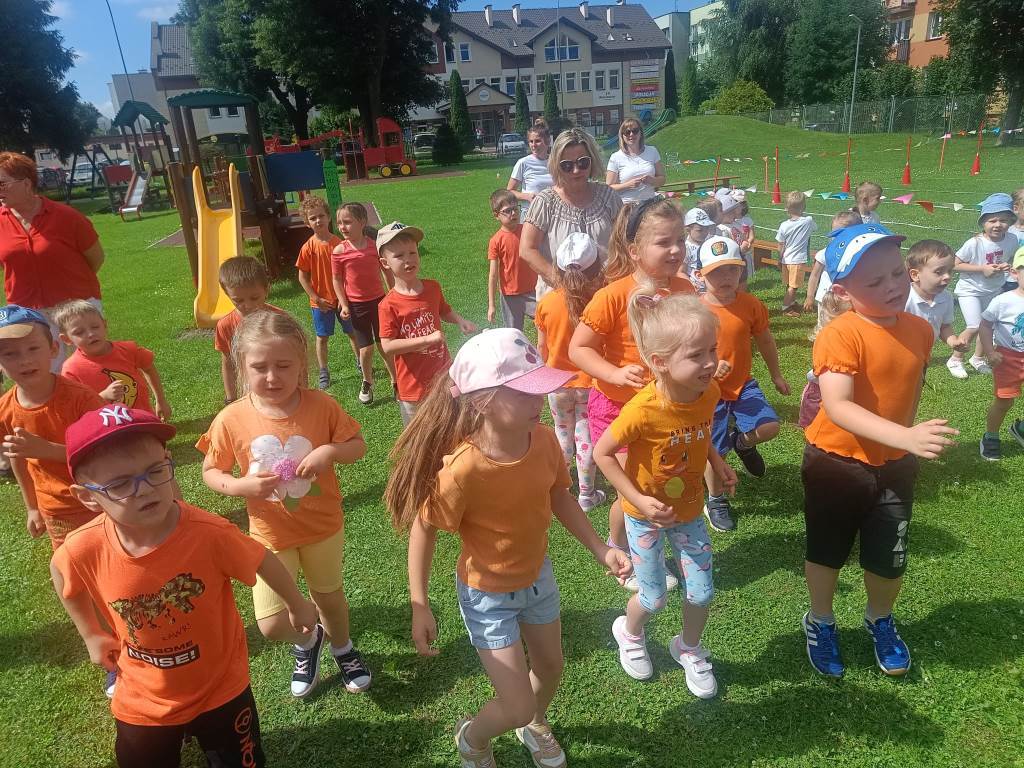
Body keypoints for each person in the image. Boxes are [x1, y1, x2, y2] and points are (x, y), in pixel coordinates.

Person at [385, 328, 632, 768]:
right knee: (515, 704)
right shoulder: (462, 469)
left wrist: (600, 548)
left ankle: (534, 723)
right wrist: (419, 603)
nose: (539, 400)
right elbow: (425, 528)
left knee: (551, 668)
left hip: (538, 579)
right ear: (482, 401)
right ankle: (473, 738)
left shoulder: (543, 441)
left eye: (539, 388)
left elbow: (558, 495)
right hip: (488, 596)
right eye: (524, 393)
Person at [52, 406, 319, 768]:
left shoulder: (209, 533)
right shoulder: (84, 547)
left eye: (155, 471)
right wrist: (91, 634)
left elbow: (262, 559)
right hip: (144, 694)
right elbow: (61, 571)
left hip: (220, 686)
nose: (145, 489)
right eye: (120, 484)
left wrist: (296, 603)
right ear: (87, 496)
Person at [802, 223, 958, 679]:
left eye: (895, 274)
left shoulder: (920, 330)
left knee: (891, 553)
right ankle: (821, 619)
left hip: (894, 465)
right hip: (834, 464)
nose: (891, 287)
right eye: (874, 282)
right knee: (827, 550)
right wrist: (905, 437)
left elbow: (905, 388)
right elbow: (838, 406)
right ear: (842, 291)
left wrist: (903, 442)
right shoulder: (840, 334)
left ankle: (880, 619)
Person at [198, 310, 372, 699]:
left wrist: (330, 451)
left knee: (328, 597)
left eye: (283, 365)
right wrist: (239, 485)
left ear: (301, 363)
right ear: (242, 366)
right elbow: (211, 471)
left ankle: (343, 648)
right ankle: (309, 642)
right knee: (272, 622)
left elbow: (357, 446)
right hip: (270, 534)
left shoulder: (321, 406)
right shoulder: (231, 418)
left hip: (322, 527)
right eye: (260, 367)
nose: (272, 377)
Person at [596, 289, 735, 696]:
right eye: (696, 355)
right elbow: (603, 453)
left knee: (703, 592)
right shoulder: (642, 410)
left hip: (688, 513)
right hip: (644, 518)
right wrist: (638, 500)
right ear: (660, 362)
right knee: (654, 597)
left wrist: (717, 462)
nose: (710, 362)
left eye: (712, 349)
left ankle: (688, 647)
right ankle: (629, 632)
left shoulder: (709, 392)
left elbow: (702, 432)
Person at [569, 199, 695, 585]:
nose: (675, 250)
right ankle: (624, 553)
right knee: (636, 488)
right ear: (635, 250)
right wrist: (615, 373)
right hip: (616, 408)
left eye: (680, 240)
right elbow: (579, 348)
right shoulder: (612, 295)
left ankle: (636, 548)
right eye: (664, 242)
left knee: (655, 483)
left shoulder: (685, 289)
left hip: (665, 410)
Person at [698, 237, 790, 532]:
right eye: (716, 271)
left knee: (770, 427)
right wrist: (708, 369)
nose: (725, 277)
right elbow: (682, 353)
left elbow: (765, 340)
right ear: (700, 274)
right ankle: (715, 499)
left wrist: (776, 375)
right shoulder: (694, 310)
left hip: (742, 385)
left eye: (731, 269)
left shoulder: (751, 305)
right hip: (707, 392)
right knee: (715, 451)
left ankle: (743, 443)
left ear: (742, 270)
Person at [0, 305, 103, 548]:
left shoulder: (82, 399)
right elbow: (18, 459)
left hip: (100, 498)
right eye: (10, 354)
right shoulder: (5, 410)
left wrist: (45, 450)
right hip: (56, 510)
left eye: (33, 348)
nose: (25, 360)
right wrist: (32, 508)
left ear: (54, 349)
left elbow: (105, 452)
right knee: (72, 562)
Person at [0, 151, 105, 370]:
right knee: (46, 371)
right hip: (29, 312)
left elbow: (95, 257)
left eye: (2, 184)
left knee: (88, 368)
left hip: (75, 308)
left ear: (26, 183)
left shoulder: (67, 217)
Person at [376, 221, 477, 426]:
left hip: (444, 377)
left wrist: (460, 321)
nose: (408, 259)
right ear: (385, 263)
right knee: (419, 437)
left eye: (412, 252)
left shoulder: (432, 288)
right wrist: (427, 340)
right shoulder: (388, 305)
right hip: (414, 389)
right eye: (399, 255)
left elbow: (444, 310)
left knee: (451, 425)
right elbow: (388, 346)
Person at [535, 232, 604, 511]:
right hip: (590, 382)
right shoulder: (599, 301)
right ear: (596, 267)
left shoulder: (546, 303)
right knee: (585, 437)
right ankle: (587, 494)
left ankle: (560, 487)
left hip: (557, 383)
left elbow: (542, 346)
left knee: (562, 434)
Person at [520, 128, 623, 298]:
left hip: (605, 295)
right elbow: (527, 249)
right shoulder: (545, 202)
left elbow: (625, 243)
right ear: (556, 166)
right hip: (559, 297)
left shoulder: (609, 197)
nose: (576, 170)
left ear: (592, 160)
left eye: (583, 162)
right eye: (567, 165)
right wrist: (563, 285)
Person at [55, 300, 171, 420]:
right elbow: (76, 407)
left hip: (144, 419)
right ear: (66, 339)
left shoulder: (128, 349)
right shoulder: (71, 369)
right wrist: (103, 396)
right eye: (79, 332)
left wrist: (161, 400)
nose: (90, 334)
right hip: (107, 427)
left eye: (95, 327)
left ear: (104, 325)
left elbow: (149, 368)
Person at [330, 202, 396, 405]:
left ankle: (396, 381)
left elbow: (386, 271)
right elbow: (336, 279)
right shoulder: (339, 251)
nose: (342, 227)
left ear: (362, 222)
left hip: (379, 302)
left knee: (384, 345)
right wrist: (344, 304)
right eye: (339, 223)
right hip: (357, 307)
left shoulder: (374, 247)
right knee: (366, 349)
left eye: (347, 222)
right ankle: (367, 381)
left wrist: (392, 294)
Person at [948, 193, 1017, 379]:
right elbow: (954, 264)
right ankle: (955, 359)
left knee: (988, 326)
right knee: (974, 325)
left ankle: (977, 359)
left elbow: (1008, 257)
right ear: (983, 223)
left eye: (1003, 220)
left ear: (1010, 221)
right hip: (970, 290)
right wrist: (982, 269)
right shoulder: (975, 243)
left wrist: (1007, 265)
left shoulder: (1011, 240)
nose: (998, 225)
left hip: (994, 289)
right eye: (992, 220)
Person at [296, 196, 358, 390]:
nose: (318, 221)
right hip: (321, 303)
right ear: (307, 223)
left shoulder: (340, 244)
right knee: (322, 338)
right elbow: (302, 277)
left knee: (352, 332)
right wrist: (316, 298)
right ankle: (324, 371)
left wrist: (344, 298)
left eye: (321, 216)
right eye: (313, 218)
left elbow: (348, 273)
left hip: (342, 300)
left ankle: (361, 362)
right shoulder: (308, 248)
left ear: (329, 217)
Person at [215, 256, 284, 404]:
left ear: (266, 289)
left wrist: (302, 390)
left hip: (280, 387)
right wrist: (231, 398)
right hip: (247, 392)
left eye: (254, 298)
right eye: (238, 300)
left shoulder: (280, 319)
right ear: (227, 295)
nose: (248, 305)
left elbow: (296, 358)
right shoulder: (225, 325)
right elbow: (228, 364)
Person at [977, 248, 1024, 460]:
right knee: (1005, 402)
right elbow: (985, 325)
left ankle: (1020, 429)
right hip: (1007, 358)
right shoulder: (1003, 301)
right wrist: (989, 351)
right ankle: (991, 437)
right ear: (1014, 273)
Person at [804, 211, 862, 340]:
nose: (835, 238)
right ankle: (822, 346)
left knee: (846, 328)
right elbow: (814, 275)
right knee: (824, 327)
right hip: (825, 298)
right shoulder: (825, 253)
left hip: (847, 299)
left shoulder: (859, 255)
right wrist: (810, 296)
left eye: (840, 234)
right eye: (834, 234)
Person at [798, 290, 851, 429]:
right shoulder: (827, 338)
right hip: (818, 388)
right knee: (813, 419)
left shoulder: (846, 335)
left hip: (833, 387)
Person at [486, 189, 537, 330]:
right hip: (510, 296)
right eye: (507, 211)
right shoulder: (496, 241)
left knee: (545, 323)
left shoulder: (527, 231)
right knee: (513, 333)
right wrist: (491, 305)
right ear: (496, 215)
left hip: (532, 290)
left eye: (515, 208)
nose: (513, 213)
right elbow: (493, 275)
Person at [903, 240, 965, 354]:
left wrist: (953, 341)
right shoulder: (903, 298)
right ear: (915, 275)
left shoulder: (946, 298)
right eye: (938, 272)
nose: (947, 276)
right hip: (902, 349)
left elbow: (944, 326)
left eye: (949, 271)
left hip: (925, 350)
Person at [775, 191, 816, 316]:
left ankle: (791, 303)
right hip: (797, 260)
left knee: (790, 284)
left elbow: (780, 244)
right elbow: (815, 228)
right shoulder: (808, 221)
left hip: (786, 259)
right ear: (803, 207)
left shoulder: (783, 225)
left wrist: (779, 259)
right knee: (793, 286)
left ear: (786, 208)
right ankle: (786, 308)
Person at [605, 118, 665, 204]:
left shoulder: (652, 151)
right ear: (622, 136)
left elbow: (662, 179)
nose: (631, 134)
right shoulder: (615, 157)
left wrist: (652, 180)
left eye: (635, 131)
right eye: (627, 132)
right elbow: (609, 188)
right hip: (627, 205)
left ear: (640, 133)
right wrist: (627, 185)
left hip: (650, 204)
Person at [507, 122, 553, 216]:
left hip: (553, 214)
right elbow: (509, 191)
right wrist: (526, 196)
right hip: (531, 214)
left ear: (547, 141)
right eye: (531, 141)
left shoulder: (555, 162)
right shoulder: (523, 163)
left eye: (537, 141)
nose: (533, 145)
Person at [680, 207, 715, 294]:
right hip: (696, 289)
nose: (705, 232)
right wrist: (690, 285)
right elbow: (681, 271)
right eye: (700, 230)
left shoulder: (710, 241)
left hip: (712, 285)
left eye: (707, 228)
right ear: (688, 230)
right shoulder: (686, 248)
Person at [732, 189, 756, 277]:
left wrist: (747, 244)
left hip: (746, 251)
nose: (737, 206)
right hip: (734, 252)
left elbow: (751, 236)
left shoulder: (747, 220)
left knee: (746, 272)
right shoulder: (730, 221)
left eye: (740, 204)